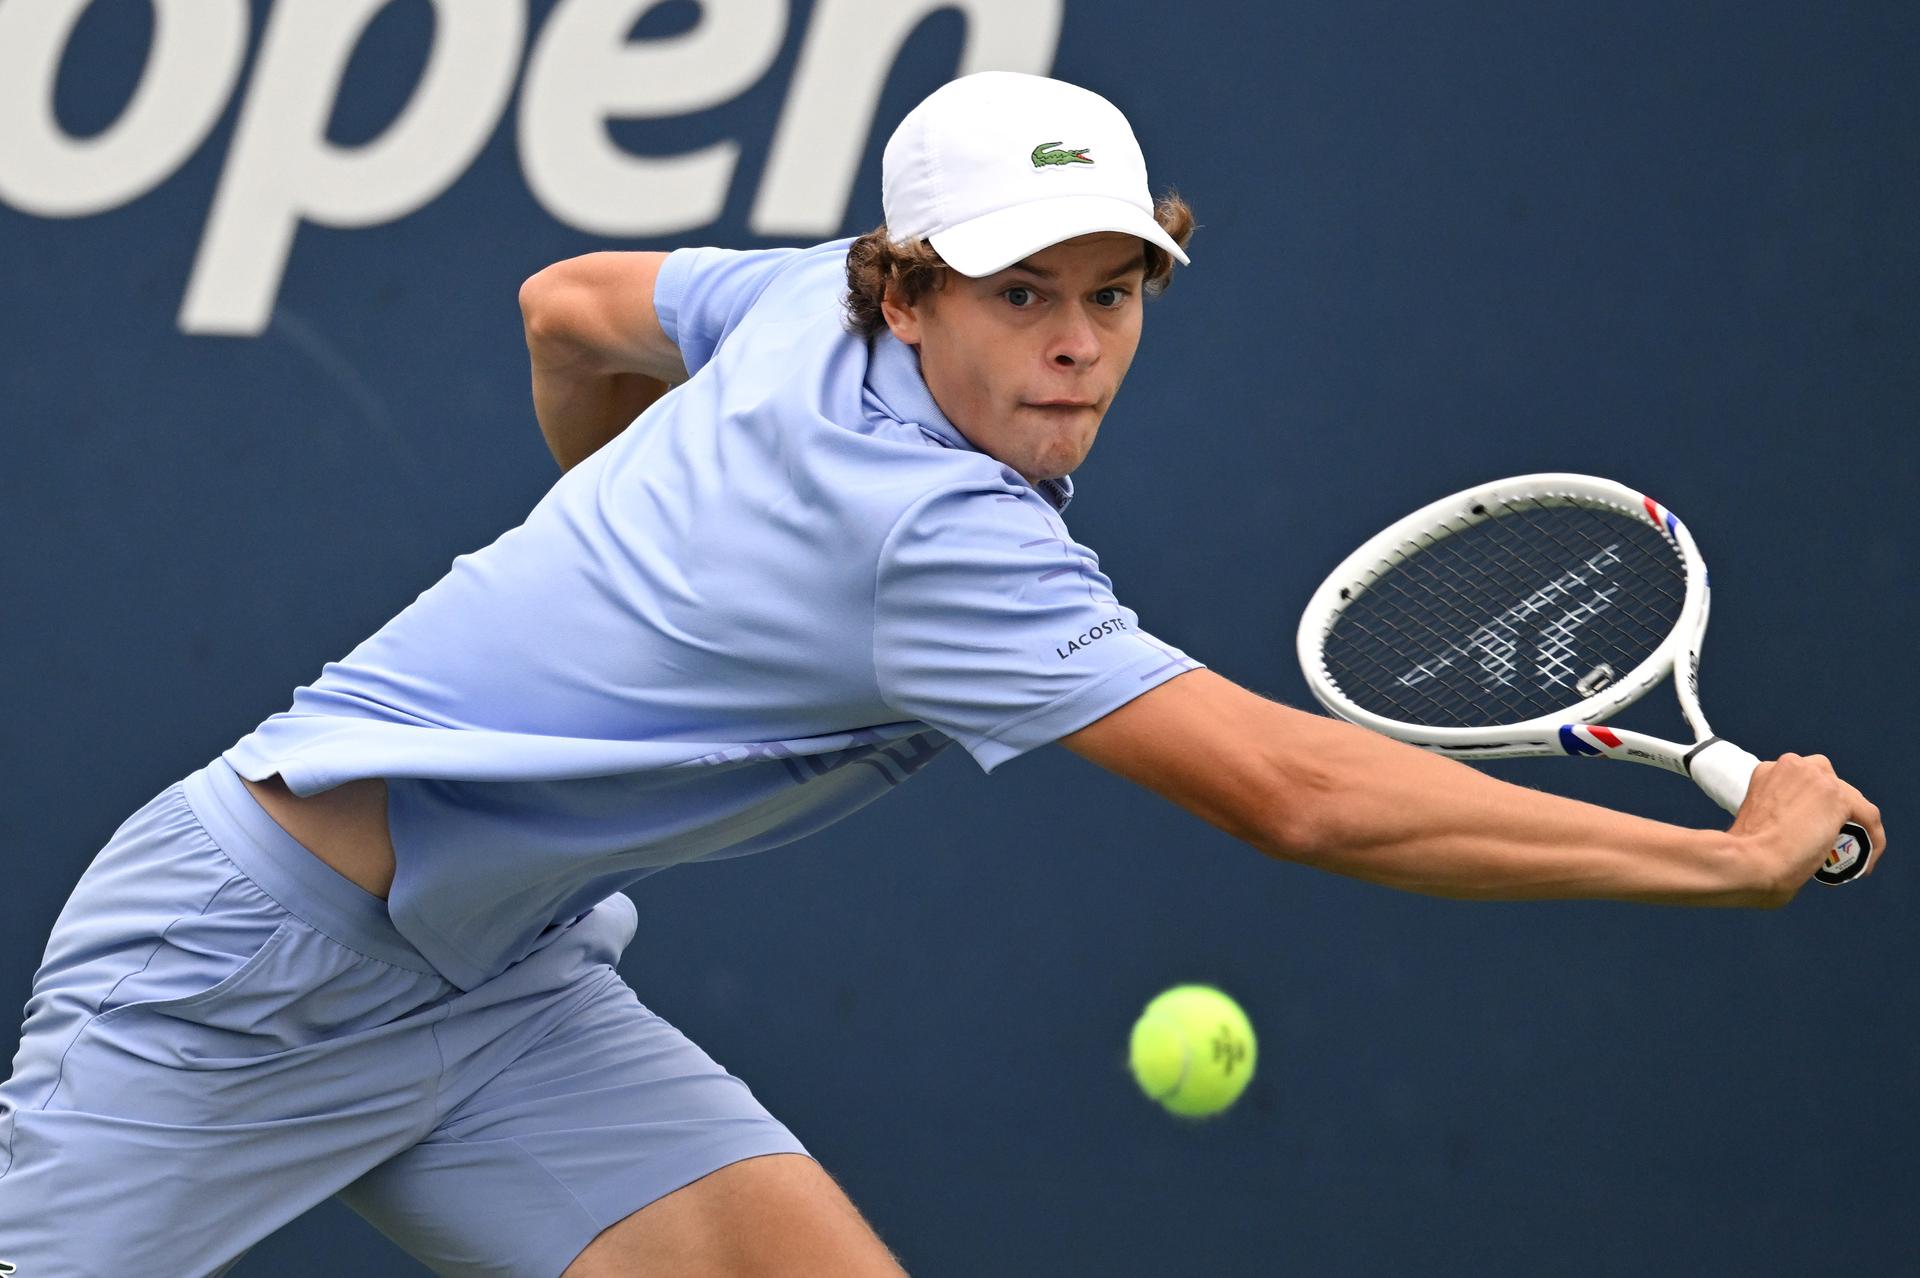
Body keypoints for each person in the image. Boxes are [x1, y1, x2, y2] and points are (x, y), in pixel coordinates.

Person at [0, 70, 1882, 1277]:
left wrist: (642, 553)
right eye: (1018, 296)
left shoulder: (803, 300)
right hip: (237, 978)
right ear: (906, 292)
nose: (1073, 348)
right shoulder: (929, 536)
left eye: (1112, 294)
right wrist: (1721, 859)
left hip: (498, 992)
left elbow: (565, 306)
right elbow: (1292, 790)